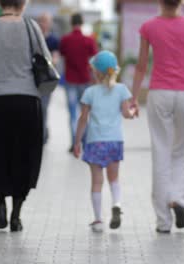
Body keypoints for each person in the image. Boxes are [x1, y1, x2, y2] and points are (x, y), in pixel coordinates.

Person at [131, 0, 184, 234]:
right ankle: (177, 198)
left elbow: (141, 66)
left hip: (159, 94)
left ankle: (163, 222)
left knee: (161, 152)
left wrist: (134, 98)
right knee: (182, 151)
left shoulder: (149, 27)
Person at [0, 0, 51, 232]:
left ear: (0, 3)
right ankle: (16, 215)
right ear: (23, 4)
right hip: (28, 100)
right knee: (24, 155)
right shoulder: (32, 27)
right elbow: (46, 59)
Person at [73, 51, 135, 233]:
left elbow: (83, 119)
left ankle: (99, 220)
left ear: (95, 72)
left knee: (97, 182)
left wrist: (77, 141)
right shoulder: (122, 90)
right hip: (115, 140)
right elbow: (126, 113)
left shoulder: (89, 92)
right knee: (114, 178)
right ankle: (116, 204)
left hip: (95, 142)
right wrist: (132, 113)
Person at [60, 13, 98, 152]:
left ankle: (74, 143)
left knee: (72, 113)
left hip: (70, 80)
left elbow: (62, 54)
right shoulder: (89, 40)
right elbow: (94, 60)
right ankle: (85, 140)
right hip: (85, 80)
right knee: (85, 112)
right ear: (82, 23)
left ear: (71, 23)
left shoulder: (65, 39)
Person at [37, 12, 60, 144]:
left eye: (46, 21)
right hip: (33, 79)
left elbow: (56, 58)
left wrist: (48, 61)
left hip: (47, 80)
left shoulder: (53, 40)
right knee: (35, 107)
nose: (43, 24)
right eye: (41, 21)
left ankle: (43, 133)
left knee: (44, 106)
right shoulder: (34, 39)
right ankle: (40, 130)